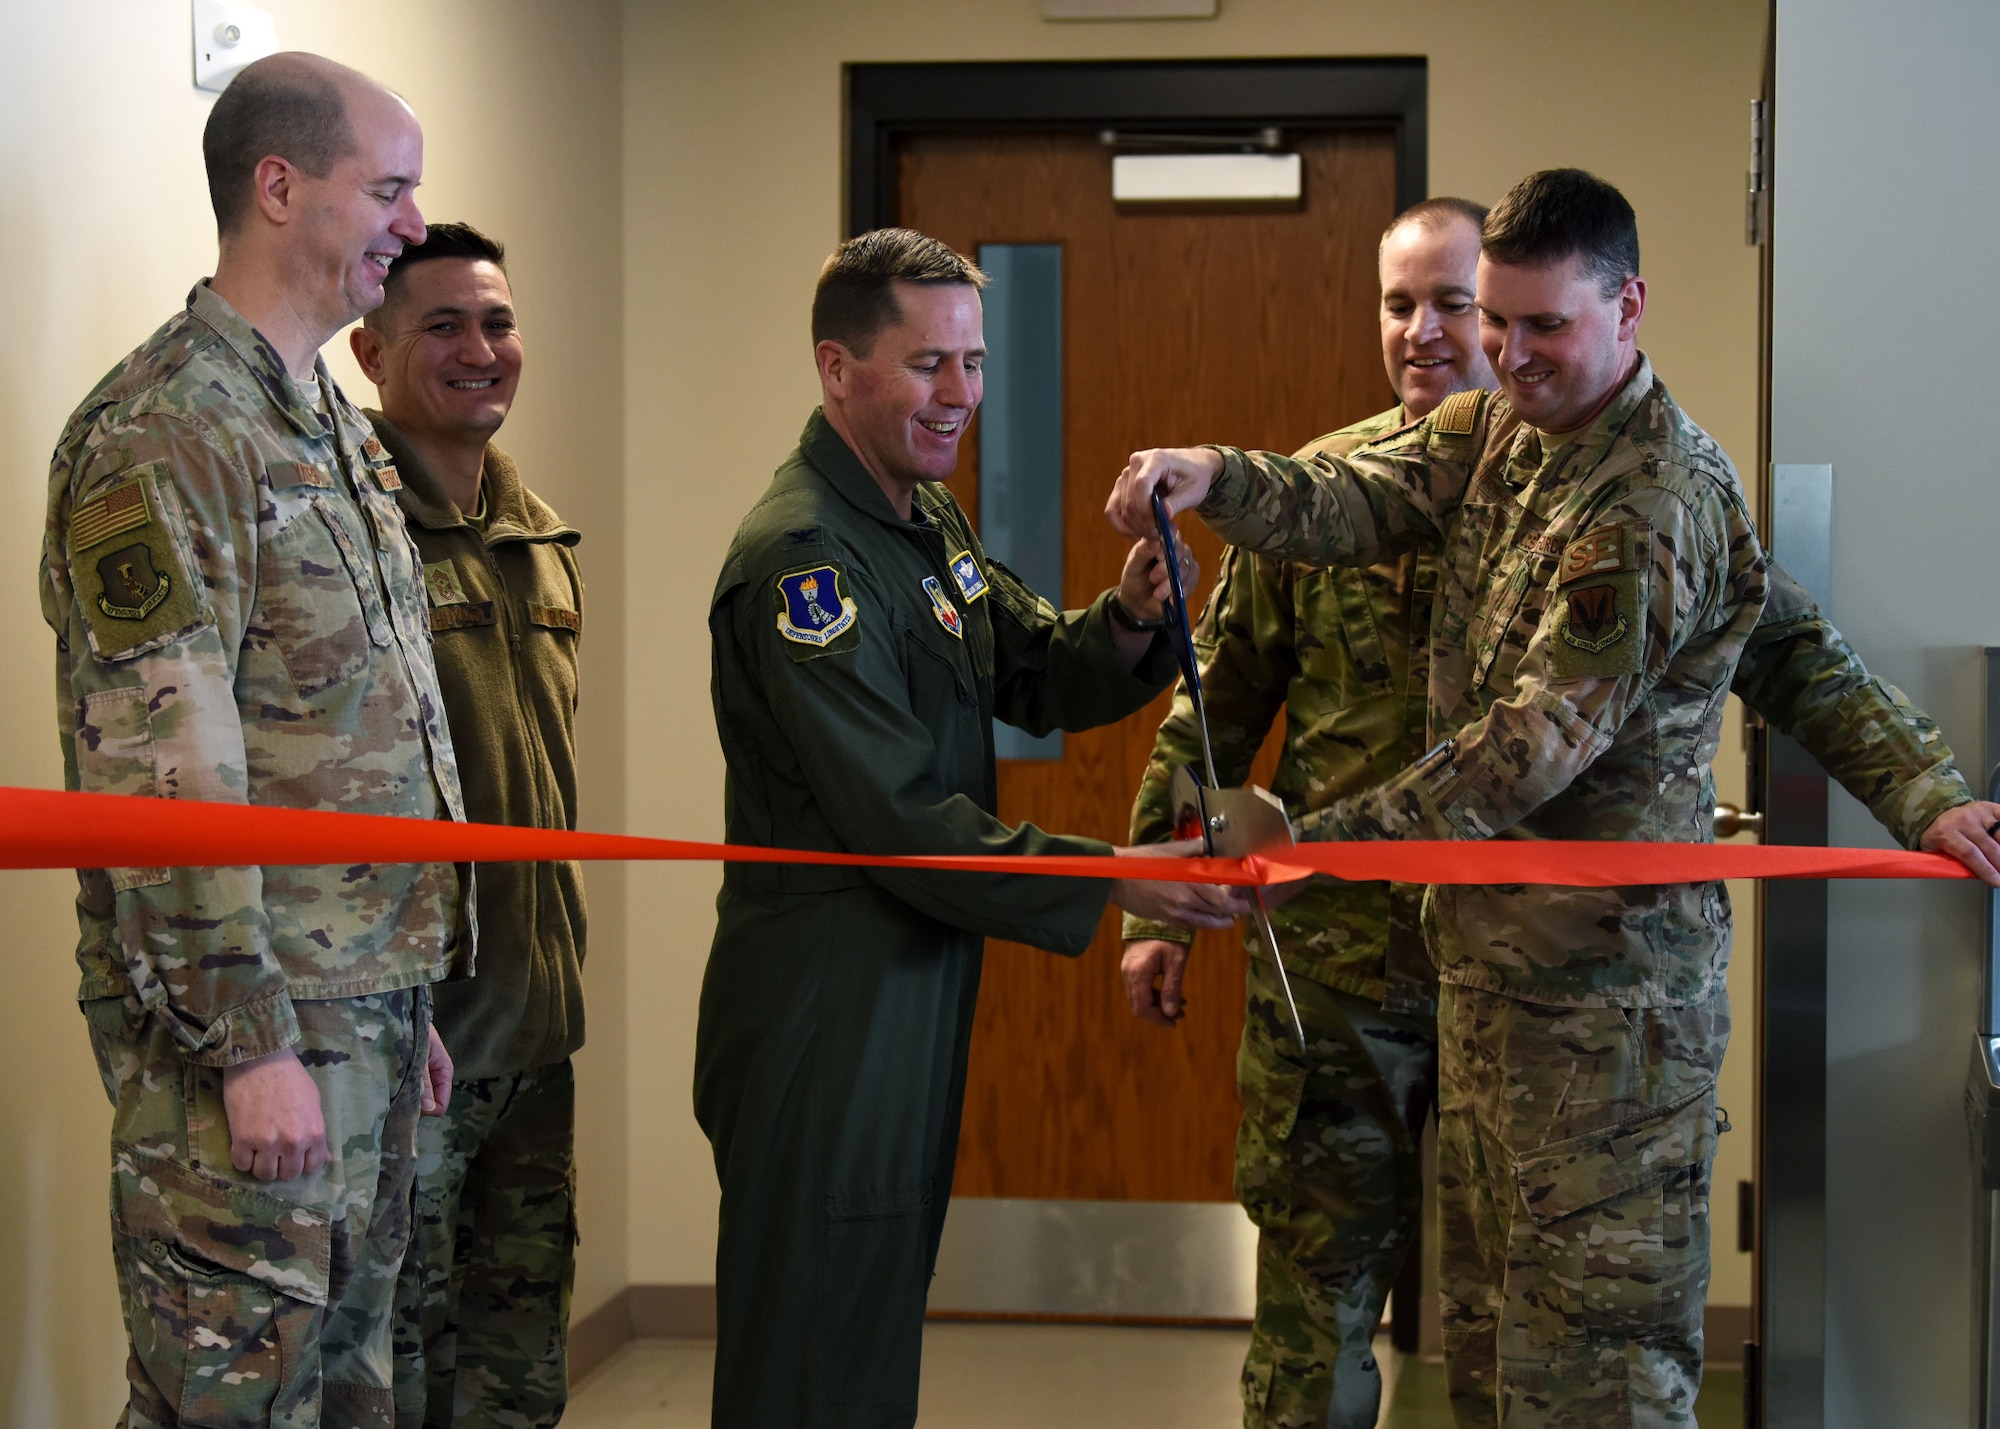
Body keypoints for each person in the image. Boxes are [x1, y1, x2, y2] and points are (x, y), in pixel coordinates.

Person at [1107, 169, 2000, 1428]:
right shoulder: (1501, 437)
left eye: (1539, 328)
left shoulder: (1651, 501)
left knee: (1597, 1382)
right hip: (1474, 991)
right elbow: (1352, 496)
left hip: (1602, 1028)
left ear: (1628, 306)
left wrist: (1314, 845)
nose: (1501, 356)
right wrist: (1214, 473)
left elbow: (1533, 744)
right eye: (1495, 325)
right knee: (1485, 1370)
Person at [697, 227, 1249, 1429]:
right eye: (927, 364)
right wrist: (1118, 877)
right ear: (836, 368)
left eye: (975, 361)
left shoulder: (918, 519)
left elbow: (1031, 667)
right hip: (826, 1002)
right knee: (811, 1353)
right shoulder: (808, 558)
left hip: (908, 982)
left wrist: (1131, 616)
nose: (960, 396)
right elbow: (895, 816)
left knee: (869, 1327)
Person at [39, 53, 468, 1427]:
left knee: (347, 1391)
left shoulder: (324, 421)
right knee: (231, 1398)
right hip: (256, 1038)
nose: (411, 221)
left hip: (364, 1017)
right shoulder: (167, 431)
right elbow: (164, 768)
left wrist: (405, 995)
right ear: (280, 188)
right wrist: (249, 1041)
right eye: (389, 188)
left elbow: (351, 725)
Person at [350, 223, 586, 1427]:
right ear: (369, 350)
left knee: (517, 1372)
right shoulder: (353, 538)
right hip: (413, 1052)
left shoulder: (538, 539)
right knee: (400, 1374)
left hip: (534, 1037)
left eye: (495, 322)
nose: (479, 349)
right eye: (441, 325)